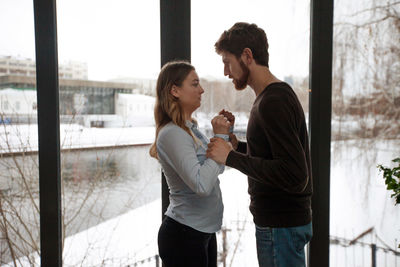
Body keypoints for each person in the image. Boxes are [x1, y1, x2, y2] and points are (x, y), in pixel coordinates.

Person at [206, 22, 313, 267]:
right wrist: (236, 146)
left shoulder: (273, 101)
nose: (226, 72)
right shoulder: (272, 97)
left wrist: (230, 158)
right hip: (282, 225)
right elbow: (273, 156)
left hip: (280, 226)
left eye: (227, 61)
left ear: (247, 56)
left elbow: (295, 175)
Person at [149, 60, 231, 267]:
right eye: (195, 84)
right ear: (175, 90)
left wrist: (225, 137)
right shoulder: (172, 134)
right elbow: (202, 185)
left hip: (201, 232)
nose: (202, 90)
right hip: (184, 236)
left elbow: (217, 168)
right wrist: (219, 139)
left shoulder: (190, 129)